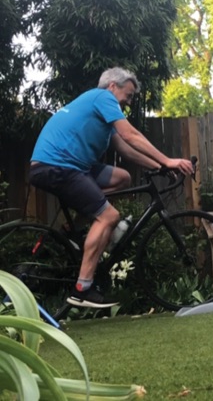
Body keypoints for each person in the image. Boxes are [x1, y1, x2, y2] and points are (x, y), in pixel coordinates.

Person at [29, 67, 194, 308]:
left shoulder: (101, 113)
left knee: (122, 178)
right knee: (109, 216)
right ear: (112, 86)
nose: (128, 102)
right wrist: (168, 159)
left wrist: (161, 168)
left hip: (73, 167)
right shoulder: (103, 97)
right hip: (57, 166)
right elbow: (130, 135)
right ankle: (82, 289)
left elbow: (126, 150)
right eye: (127, 95)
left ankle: (73, 228)